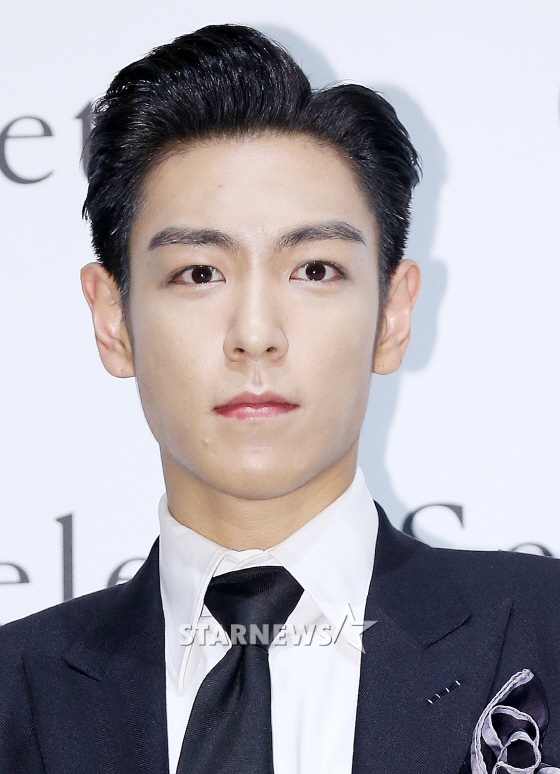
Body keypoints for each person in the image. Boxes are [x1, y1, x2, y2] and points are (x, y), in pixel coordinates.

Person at [1, 24, 559, 774]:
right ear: (113, 321)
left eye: (315, 270)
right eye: (199, 273)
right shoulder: (17, 693)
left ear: (393, 316)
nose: (256, 335)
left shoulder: (541, 630)